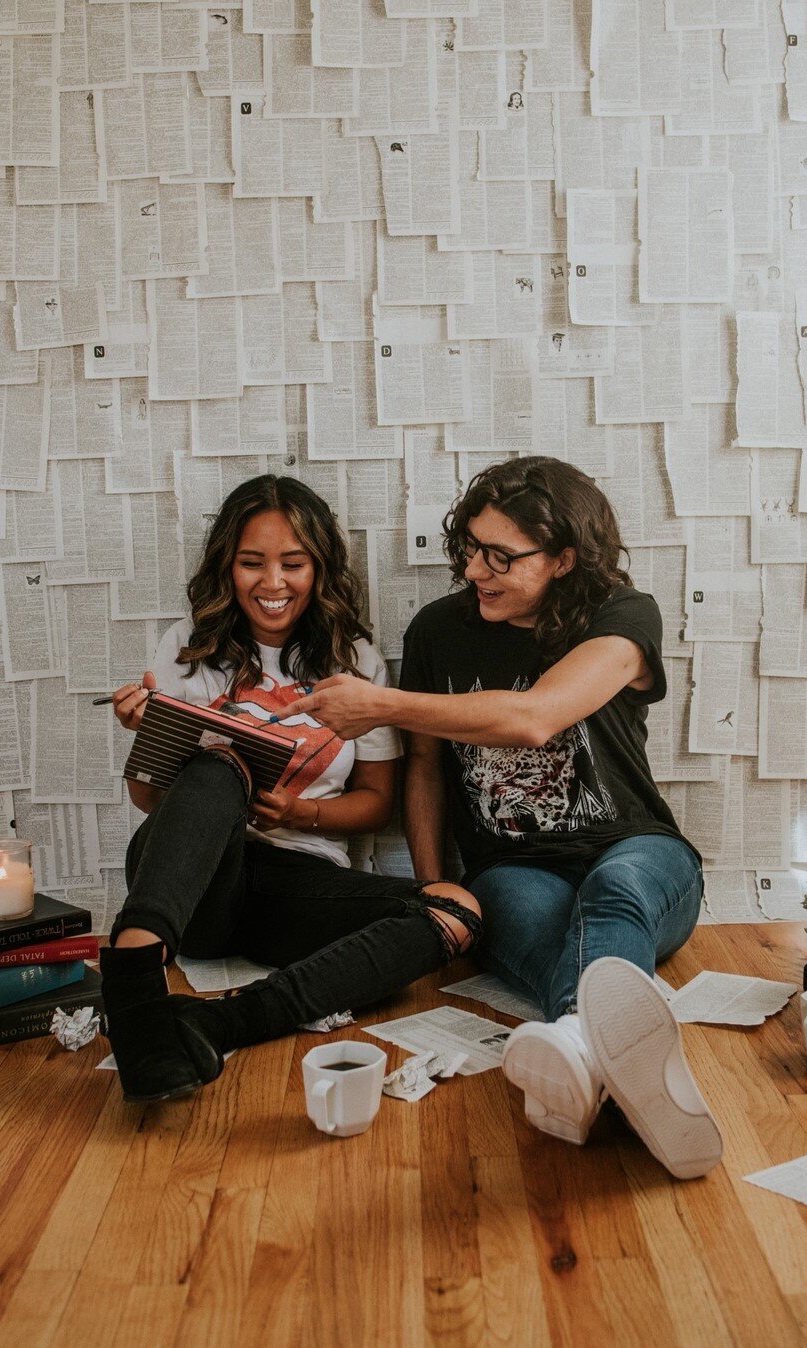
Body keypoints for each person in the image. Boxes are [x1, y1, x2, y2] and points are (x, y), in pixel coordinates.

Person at [288, 457, 722, 1179]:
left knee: (612, 895)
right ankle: (614, 1076)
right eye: (469, 549)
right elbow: (424, 768)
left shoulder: (621, 616)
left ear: (563, 558)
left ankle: (580, 1045)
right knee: (547, 932)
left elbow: (535, 718)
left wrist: (383, 704)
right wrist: (434, 888)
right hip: (514, 868)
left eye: (500, 556)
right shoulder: (438, 631)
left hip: (641, 852)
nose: (475, 570)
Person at [102, 475, 481, 1103]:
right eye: (252, 563)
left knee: (456, 910)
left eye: (292, 564)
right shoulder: (188, 648)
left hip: (296, 885)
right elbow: (150, 805)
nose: (272, 583)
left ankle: (218, 1022)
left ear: (319, 568)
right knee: (221, 765)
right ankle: (135, 989)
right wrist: (151, 737)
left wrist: (298, 812)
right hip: (195, 885)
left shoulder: (356, 661)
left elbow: (378, 803)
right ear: (228, 567)